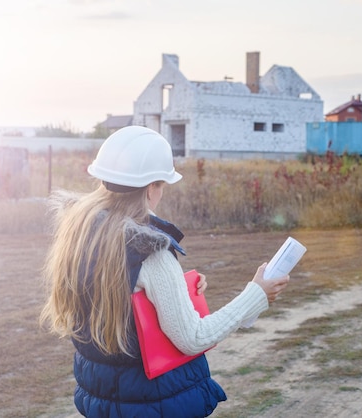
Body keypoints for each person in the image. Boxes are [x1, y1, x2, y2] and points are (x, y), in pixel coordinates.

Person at [40, 126, 289, 418]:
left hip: (103, 403)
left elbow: (122, 300)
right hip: (152, 404)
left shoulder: (82, 233)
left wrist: (175, 291)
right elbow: (192, 338)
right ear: (151, 188)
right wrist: (256, 294)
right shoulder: (149, 250)